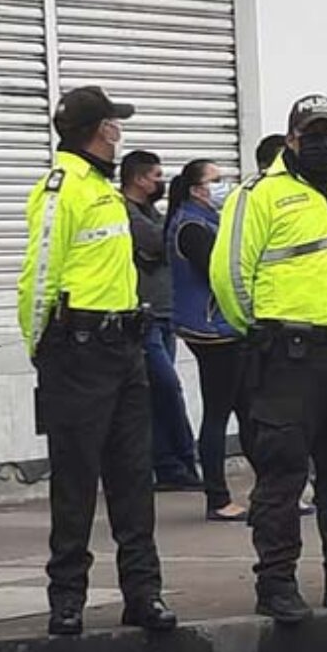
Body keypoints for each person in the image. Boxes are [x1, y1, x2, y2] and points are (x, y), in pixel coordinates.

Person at [210, 95, 327, 623]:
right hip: (288, 358)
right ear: (291, 138)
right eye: (312, 133)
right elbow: (229, 273)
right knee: (282, 475)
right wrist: (263, 329)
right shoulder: (260, 195)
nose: (323, 142)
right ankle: (275, 583)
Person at [18, 86, 177, 636]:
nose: (120, 131)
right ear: (101, 130)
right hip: (79, 350)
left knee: (134, 478)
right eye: (115, 123)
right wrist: (42, 345)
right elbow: (39, 273)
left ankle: (143, 593)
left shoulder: (103, 190)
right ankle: (67, 599)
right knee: (77, 481)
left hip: (124, 345)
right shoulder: (63, 188)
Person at [167, 156, 250, 523]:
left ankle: (271, 488)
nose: (224, 185)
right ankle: (217, 496)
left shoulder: (207, 220)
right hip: (211, 329)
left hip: (225, 326)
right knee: (220, 411)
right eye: (216, 180)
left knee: (248, 409)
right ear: (198, 190)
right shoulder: (191, 226)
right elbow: (219, 270)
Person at [122, 149, 201, 491]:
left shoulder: (151, 212)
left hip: (166, 313)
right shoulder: (125, 212)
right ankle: (178, 461)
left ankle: (173, 465)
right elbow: (158, 241)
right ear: (138, 179)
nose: (161, 183)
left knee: (159, 391)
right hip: (145, 315)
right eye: (155, 176)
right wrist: (181, 210)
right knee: (167, 387)